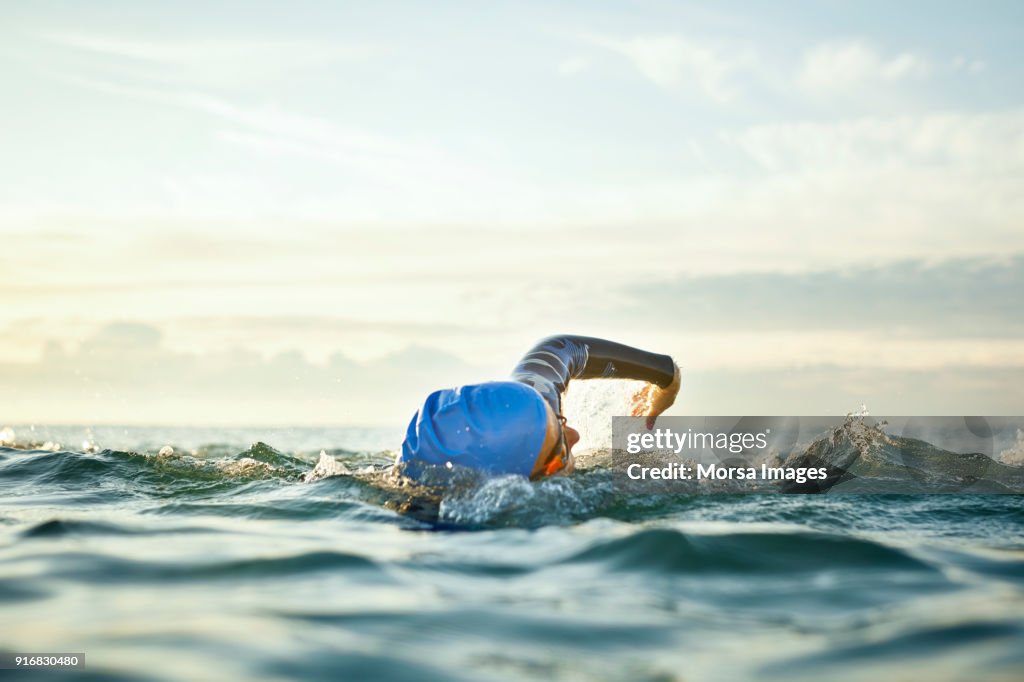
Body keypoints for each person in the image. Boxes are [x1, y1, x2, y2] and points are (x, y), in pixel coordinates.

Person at [395, 335, 681, 482]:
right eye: (559, 454)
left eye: (560, 419)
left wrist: (667, 380)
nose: (575, 436)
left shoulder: (532, 405)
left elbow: (562, 348)